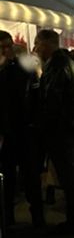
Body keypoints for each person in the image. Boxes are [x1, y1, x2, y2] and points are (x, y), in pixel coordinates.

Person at [33, 29, 74, 234]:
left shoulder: (57, 68)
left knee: (69, 177)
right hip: (72, 130)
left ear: (46, 44)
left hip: (62, 132)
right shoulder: (70, 65)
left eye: (37, 44)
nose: (35, 49)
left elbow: (52, 104)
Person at [0, 29, 44, 227]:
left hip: (24, 130)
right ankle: (8, 216)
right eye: (3, 47)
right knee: (9, 177)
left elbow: (35, 99)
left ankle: (36, 216)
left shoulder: (22, 69)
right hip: (10, 131)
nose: (7, 51)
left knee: (29, 176)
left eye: (9, 46)